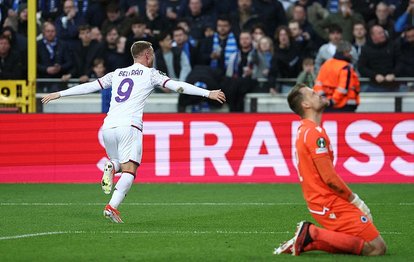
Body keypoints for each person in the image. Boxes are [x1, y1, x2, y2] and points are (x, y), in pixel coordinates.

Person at [41, 41, 226, 223]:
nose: (153, 57)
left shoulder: (117, 73)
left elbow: (90, 86)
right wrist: (207, 93)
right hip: (129, 126)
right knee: (130, 170)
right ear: (147, 55)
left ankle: (112, 167)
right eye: (152, 53)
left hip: (108, 127)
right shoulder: (151, 74)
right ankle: (111, 207)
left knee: (119, 163)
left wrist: (60, 94)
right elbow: (177, 86)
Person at [273, 83, 387, 256]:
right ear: (306, 105)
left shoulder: (305, 130)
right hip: (329, 202)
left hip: (320, 201)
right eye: (312, 94)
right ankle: (311, 232)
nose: (318, 94)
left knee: (357, 242)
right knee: (377, 248)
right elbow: (330, 178)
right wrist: (356, 201)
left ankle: (306, 243)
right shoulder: (314, 133)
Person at [313, 41, 360, 112]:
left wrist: (324, 99)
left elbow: (318, 84)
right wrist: (332, 101)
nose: (351, 54)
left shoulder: (326, 64)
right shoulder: (345, 67)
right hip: (343, 105)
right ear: (345, 52)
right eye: (350, 52)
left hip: (326, 105)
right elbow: (343, 88)